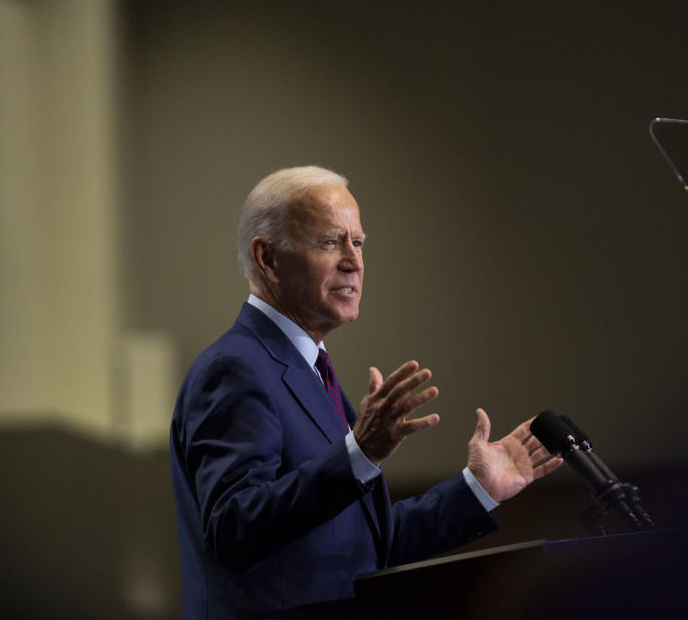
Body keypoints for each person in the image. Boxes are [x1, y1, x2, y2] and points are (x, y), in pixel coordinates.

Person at [170, 166, 563, 619]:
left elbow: (371, 544)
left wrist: (478, 488)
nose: (354, 261)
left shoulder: (308, 370)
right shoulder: (234, 368)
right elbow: (233, 530)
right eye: (329, 242)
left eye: (358, 243)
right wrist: (358, 452)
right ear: (268, 258)